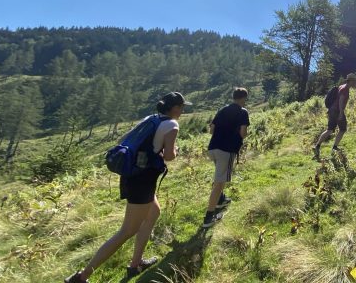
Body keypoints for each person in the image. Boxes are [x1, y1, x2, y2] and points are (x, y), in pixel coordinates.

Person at [65, 92, 190, 283]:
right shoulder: (172, 125)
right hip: (143, 180)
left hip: (132, 175)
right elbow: (170, 156)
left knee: (154, 212)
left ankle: (135, 264)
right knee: (127, 231)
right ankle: (81, 277)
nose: (182, 111)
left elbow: (126, 138)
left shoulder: (151, 119)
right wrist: (175, 150)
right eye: (182, 107)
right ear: (174, 108)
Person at [202, 87, 250, 228]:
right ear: (243, 98)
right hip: (227, 150)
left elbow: (212, 129)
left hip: (213, 148)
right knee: (219, 183)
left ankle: (221, 200)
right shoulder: (242, 112)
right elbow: (243, 133)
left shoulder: (222, 109)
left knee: (219, 176)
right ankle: (209, 216)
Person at [312, 73, 356, 158]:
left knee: (330, 130)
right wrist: (341, 113)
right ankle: (334, 147)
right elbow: (341, 101)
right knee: (343, 129)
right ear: (350, 81)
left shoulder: (342, 86)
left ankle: (317, 146)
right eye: (354, 81)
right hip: (337, 111)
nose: (355, 83)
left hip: (332, 110)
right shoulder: (345, 89)